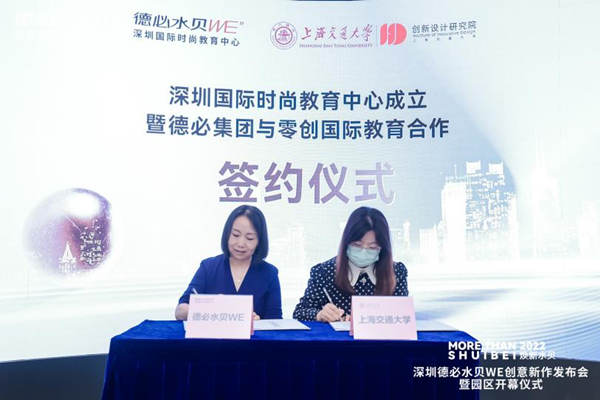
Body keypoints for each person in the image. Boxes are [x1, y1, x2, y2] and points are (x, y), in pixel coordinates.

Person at [293, 206, 408, 322]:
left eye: (373, 247)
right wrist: (319, 314)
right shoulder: (324, 272)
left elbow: (404, 316)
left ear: (383, 248)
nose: (363, 252)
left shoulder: (396, 272)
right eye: (357, 245)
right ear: (346, 242)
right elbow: (300, 313)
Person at [175, 205, 282, 321]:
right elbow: (180, 311)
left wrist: (257, 322)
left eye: (250, 238)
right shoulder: (209, 267)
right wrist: (215, 310)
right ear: (227, 234)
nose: (240, 243)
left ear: (259, 241)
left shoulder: (269, 273)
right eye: (235, 235)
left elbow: (275, 321)